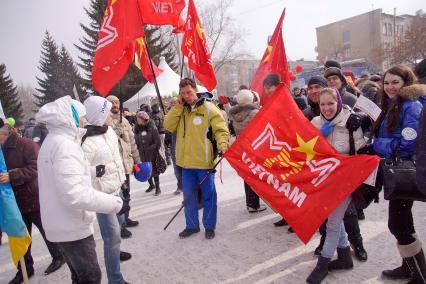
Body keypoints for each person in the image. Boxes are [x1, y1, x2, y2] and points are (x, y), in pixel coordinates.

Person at [36, 96, 129, 284]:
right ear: (69, 117)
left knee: (80, 277)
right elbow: (74, 193)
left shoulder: (54, 141)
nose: (85, 120)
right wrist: (116, 204)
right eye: (82, 116)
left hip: (62, 223)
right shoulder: (64, 146)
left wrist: (92, 171)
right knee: (90, 277)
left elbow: (67, 174)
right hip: (71, 224)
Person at [360, 65, 426, 283]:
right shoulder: (392, 104)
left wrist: (375, 145)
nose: (389, 87)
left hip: (406, 170)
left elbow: (408, 145)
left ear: (406, 83)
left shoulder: (411, 105)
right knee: (403, 222)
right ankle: (411, 267)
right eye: (386, 82)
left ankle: (420, 275)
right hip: (396, 169)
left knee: (397, 223)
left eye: (395, 82)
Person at [307, 87, 366, 283]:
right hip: (323, 180)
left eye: (330, 103)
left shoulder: (351, 121)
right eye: (322, 104)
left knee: (332, 223)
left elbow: (360, 152)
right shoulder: (315, 123)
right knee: (334, 219)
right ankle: (344, 257)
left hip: (344, 181)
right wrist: (317, 139)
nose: (327, 108)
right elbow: (305, 153)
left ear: (338, 102)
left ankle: (322, 264)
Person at [164, 78, 230, 240]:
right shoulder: (181, 110)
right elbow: (168, 126)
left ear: (196, 90)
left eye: (189, 92)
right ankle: (192, 226)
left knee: (208, 196)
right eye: (183, 93)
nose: (187, 96)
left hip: (204, 162)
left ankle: (209, 226)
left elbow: (221, 130)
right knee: (189, 198)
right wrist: (177, 106)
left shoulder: (209, 108)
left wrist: (223, 144)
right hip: (186, 164)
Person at [0, 123, 65, 284]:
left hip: (33, 196)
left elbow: (37, 166)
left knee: (46, 229)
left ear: (4, 133)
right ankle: (24, 269)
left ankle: (59, 256)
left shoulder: (26, 144)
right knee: (20, 235)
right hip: (13, 202)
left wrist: (12, 175)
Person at [81, 96, 131, 284]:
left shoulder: (109, 131)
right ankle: (115, 279)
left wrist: (122, 181)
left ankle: (115, 254)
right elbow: (79, 171)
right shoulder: (86, 142)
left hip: (116, 188)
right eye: (107, 111)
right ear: (99, 115)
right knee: (111, 237)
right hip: (102, 196)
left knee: (119, 228)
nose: (112, 113)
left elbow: (116, 158)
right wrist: (94, 172)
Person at [106, 95, 141, 239]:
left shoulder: (125, 120)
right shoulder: (105, 122)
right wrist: (116, 128)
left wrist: (137, 160)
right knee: (117, 197)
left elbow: (132, 142)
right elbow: (111, 139)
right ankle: (120, 226)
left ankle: (126, 218)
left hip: (126, 164)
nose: (114, 104)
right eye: (111, 103)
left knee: (126, 195)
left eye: (116, 102)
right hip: (114, 167)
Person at [229, 89, 266, 213]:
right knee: (257, 174)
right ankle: (255, 204)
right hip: (255, 146)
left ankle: (250, 203)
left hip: (243, 146)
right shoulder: (255, 112)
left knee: (248, 175)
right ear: (251, 99)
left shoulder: (234, 114)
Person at [134, 111, 166, 196]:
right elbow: (136, 141)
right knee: (145, 170)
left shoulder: (152, 127)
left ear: (144, 119)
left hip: (152, 153)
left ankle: (158, 187)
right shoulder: (137, 129)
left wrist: (151, 148)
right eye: (137, 118)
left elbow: (158, 142)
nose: (137, 120)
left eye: (139, 118)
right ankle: (151, 185)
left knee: (154, 170)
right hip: (142, 153)